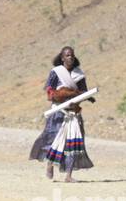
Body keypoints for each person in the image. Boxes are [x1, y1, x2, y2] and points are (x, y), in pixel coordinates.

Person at [28, 46, 94, 180]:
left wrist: (85, 96)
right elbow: (49, 89)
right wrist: (59, 95)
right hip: (59, 111)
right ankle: (50, 164)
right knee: (54, 140)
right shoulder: (56, 72)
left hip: (73, 113)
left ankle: (69, 175)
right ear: (62, 57)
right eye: (67, 55)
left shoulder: (79, 74)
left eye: (72, 55)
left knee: (74, 143)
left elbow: (83, 91)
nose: (70, 57)